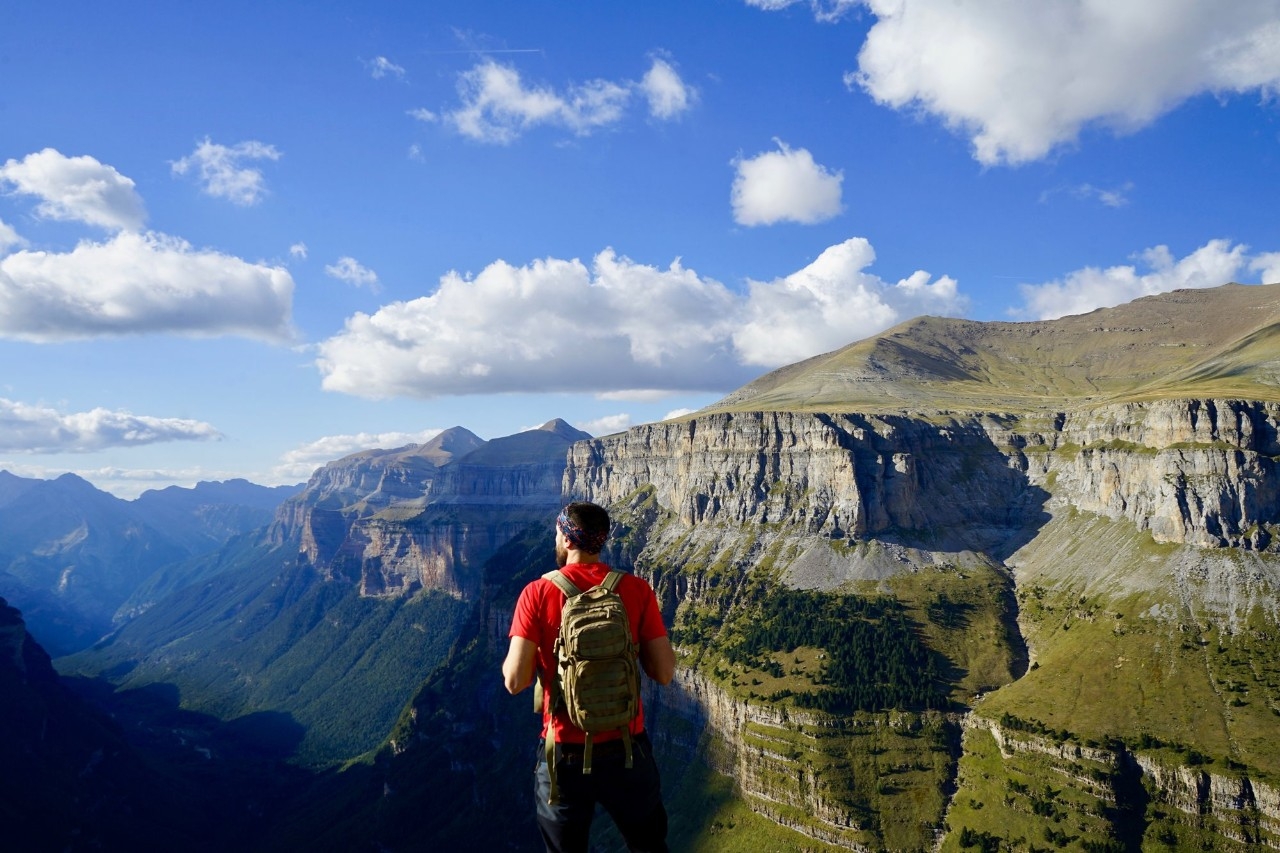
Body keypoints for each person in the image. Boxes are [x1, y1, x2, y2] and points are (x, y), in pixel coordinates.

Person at [503, 501, 676, 853]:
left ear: (567, 539)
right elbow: (664, 673)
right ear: (601, 540)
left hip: (564, 752)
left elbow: (514, 682)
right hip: (628, 749)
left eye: (556, 532)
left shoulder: (537, 593)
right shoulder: (637, 589)